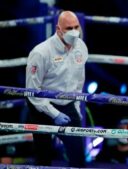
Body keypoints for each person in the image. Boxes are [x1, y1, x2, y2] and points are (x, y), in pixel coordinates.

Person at [25, 11, 88, 167]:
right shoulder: (41, 52)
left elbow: (79, 80)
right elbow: (32, 90)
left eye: (76, 27)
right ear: (58, 29)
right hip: (41, 106)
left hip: (67, 104)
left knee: (78, 157)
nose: (74, 31)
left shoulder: (81, 47)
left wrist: (76, 107)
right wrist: (54, 113)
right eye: (68, 28)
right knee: (43, 159)